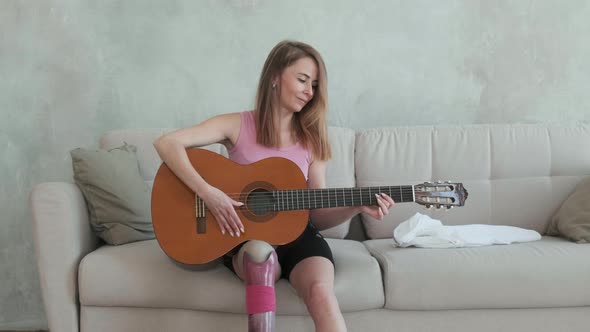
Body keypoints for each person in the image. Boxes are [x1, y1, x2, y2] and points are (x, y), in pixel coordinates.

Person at [153, 40, 394, 332]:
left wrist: (356, 206)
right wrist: (208, 192)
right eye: (303, 80)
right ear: (275, 77)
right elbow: (167, 143)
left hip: (299, 234)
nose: (310, 91)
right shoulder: (237, 124)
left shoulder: (313, 140)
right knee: (260, 256)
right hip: (247, 236)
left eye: (315, 85)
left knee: (321, 291)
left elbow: (316, 213)